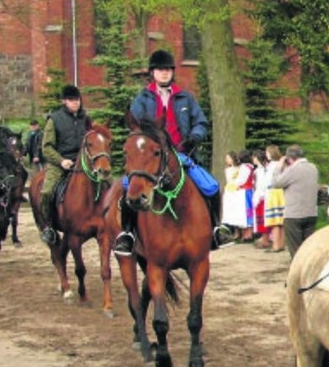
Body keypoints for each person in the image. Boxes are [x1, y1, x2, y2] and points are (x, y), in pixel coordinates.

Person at [114, 49, 229, 254]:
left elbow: (201, 122)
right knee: (126, 189)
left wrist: (195, 136)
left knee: (211, 186)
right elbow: (136, 127)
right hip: (151, 158)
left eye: (167, 70)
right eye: (160, 70)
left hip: (182, 154)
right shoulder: (142, 98)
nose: (164, 73)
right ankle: (128, 234)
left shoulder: (186, 98)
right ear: (152, 73)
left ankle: (216, 229)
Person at [39, 84, 91, 245]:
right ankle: (48, 227)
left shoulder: (86, 118)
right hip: (61, 162)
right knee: (47, 192)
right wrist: (61, 161)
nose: (75, 103)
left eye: (77, 99)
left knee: (107, 185)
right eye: (71, 100)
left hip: (83, 162)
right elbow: (46, 147)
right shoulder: (54, 119)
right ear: (64, 101)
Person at [271, 144, 318, 257]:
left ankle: (297, 271)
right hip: (311, 212)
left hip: (294, 215)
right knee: (308, 248)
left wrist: (279, 167)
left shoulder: (293, 169)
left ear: (289, 158)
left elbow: (276, 183)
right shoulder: (313, 167)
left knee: (296, 250)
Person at [264, 145, 286, 252]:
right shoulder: (282, 164)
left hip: (273, 193)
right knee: (281, 220)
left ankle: (276, 245)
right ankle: (281, 244)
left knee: (275, 221)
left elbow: (268, 181)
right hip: (282, 193)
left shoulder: (272, 166)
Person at [252, 148, 271, 248]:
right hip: (258, 195)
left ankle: (265, 239)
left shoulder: (263, 170)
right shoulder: (257, 170)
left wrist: (260, 195)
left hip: (262, 196)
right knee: (260, 218)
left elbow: (262, 184)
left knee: (263, 218)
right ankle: (264, 238)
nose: (253, 159)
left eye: (254, 157)